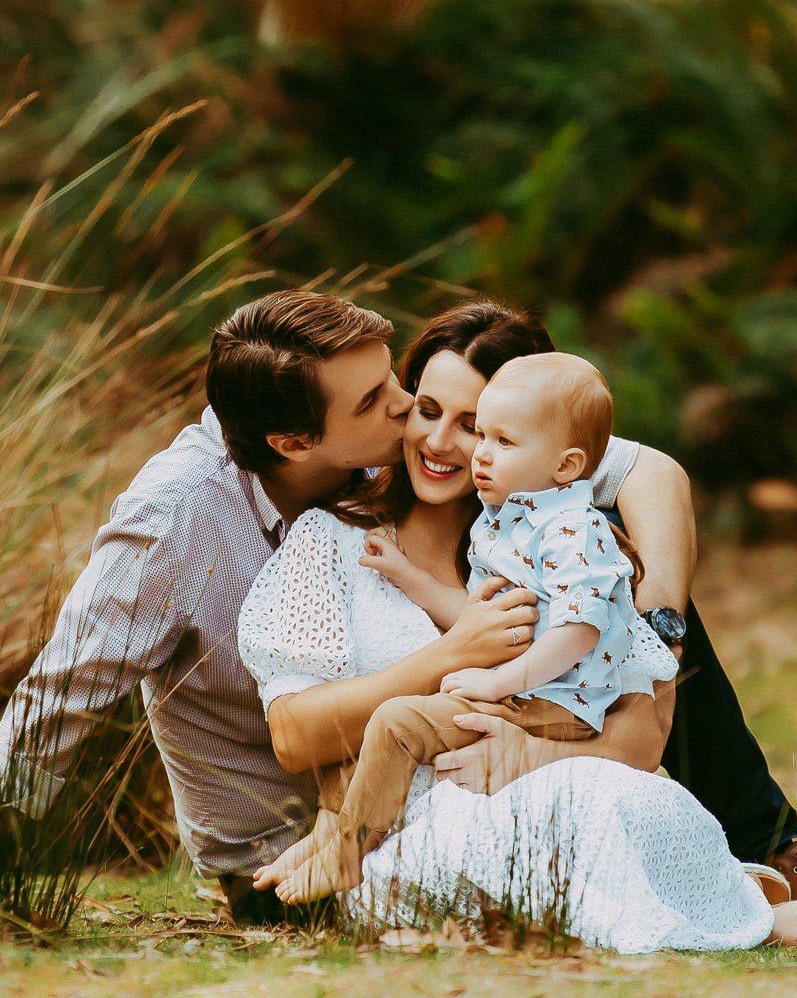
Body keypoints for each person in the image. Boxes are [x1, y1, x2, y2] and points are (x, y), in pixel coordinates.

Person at [0, 290, 797, 924]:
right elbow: (61, 695)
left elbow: (646, 468)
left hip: (454, 801)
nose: (418, 417)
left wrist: (659, 613)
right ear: (298, 441)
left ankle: (765, 852)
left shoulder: (428, 461)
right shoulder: (182, 517)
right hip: (293, 850)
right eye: (392, 402)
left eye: (465, 416)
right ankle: (733, 892)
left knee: (607, 577)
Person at [239, 305, 797, 950]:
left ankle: (747, 879)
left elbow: (637, 730)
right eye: (426, 409)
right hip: (408, 826)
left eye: (479, 426)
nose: (447, 444)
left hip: (543, 786)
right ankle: (760, 915)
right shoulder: (331, 540)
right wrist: (452, 652)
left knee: (604, 789)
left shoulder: (550, 540)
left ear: (541, 447)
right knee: (554, 822)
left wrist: (530, 752)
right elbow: (295, 731)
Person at [267, 352, 674, 903]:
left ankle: (346, 852)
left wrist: (496, 684)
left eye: (494, 437)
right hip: (525, 695)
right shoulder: (511, 522)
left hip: (552, 702)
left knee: (395, 720)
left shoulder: (574, 532)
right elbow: (486, 620)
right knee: (385, 727)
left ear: (565, 466)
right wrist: (409, 576)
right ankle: (336, 839)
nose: (474, 451)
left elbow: (578, 631)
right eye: (479, 433)